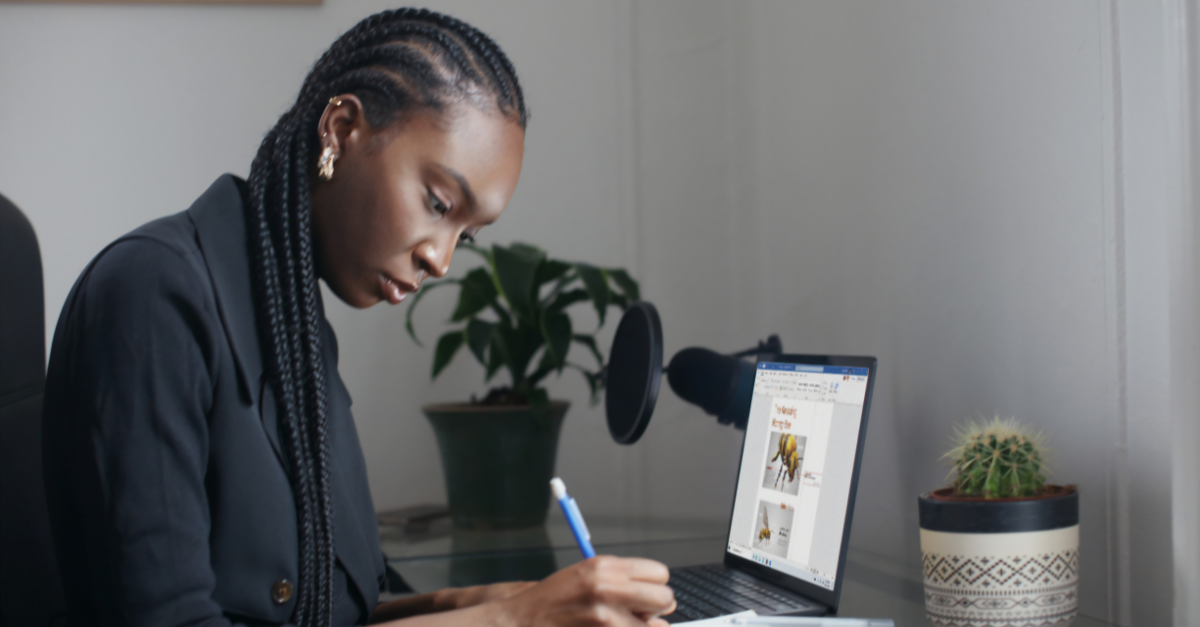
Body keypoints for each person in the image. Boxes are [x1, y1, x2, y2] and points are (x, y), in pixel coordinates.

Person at [41, 8, 676, 627]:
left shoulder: (296, 327)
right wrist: (512, 619)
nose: (441, 259)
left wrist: (502, 602)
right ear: (341, 129)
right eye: (437, 202)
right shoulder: (154, 293)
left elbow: (340, 611)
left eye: (468, 234)